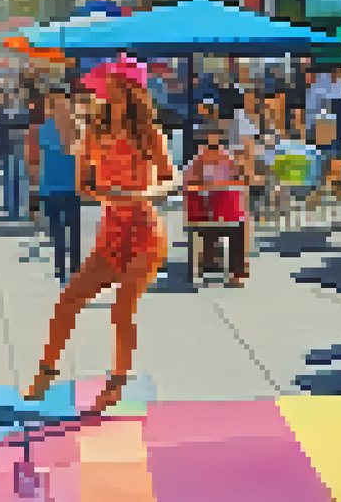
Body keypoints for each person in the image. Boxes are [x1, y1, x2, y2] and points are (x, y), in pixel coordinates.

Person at [23, 69, 180, 414]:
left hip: (145, 232)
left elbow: (171, 180)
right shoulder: (95, 133)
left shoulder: (149, 134)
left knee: (122, 305)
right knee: (68, 301)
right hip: (111, 233)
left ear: (134, 95)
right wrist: (101, 192)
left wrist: (144, 193)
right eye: (110, 93)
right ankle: (46, 371)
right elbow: (83, 186)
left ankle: (117, 381)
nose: (113, 99)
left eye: (120, 92)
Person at [31, 85, 84, 286]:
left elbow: (75, 149)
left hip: (72, 186)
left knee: (74, 232)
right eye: (53, 102)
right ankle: (62, 271)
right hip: (50, 187)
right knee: (58, 232)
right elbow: (35, 160)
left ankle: (75, 271)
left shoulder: (78, 126)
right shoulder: (43, 128)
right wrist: (35, 191)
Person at [184, 125, 248, 285]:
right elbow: (190, 183)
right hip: (207, 212)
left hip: (222, 212)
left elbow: (239, 178)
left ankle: (233, 269)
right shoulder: (199, 160)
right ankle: (220, 264)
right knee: (235, 224)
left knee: (237, 224)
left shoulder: (227, 158)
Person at [0, 89, 34, 220]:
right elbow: (1, 132)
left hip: (21, 149)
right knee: (10, 179)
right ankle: (11, 209)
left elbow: (29, 127)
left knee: (21, 179)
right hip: (8, 150)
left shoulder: (25, 112)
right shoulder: (1, 112)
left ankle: (20, 209)